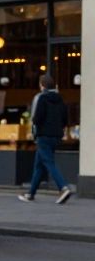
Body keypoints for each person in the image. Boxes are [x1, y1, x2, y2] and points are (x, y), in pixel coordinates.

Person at [20, 74, 75, 204]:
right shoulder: (60, 99)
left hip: (43, 135)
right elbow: (65, 119)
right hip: (56, 136)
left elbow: (36, 118)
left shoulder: (41, 98)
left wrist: (35, 129)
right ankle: (31, 194)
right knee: (39, 165)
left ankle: (63, 187)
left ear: (42, 85)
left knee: (49, 162)